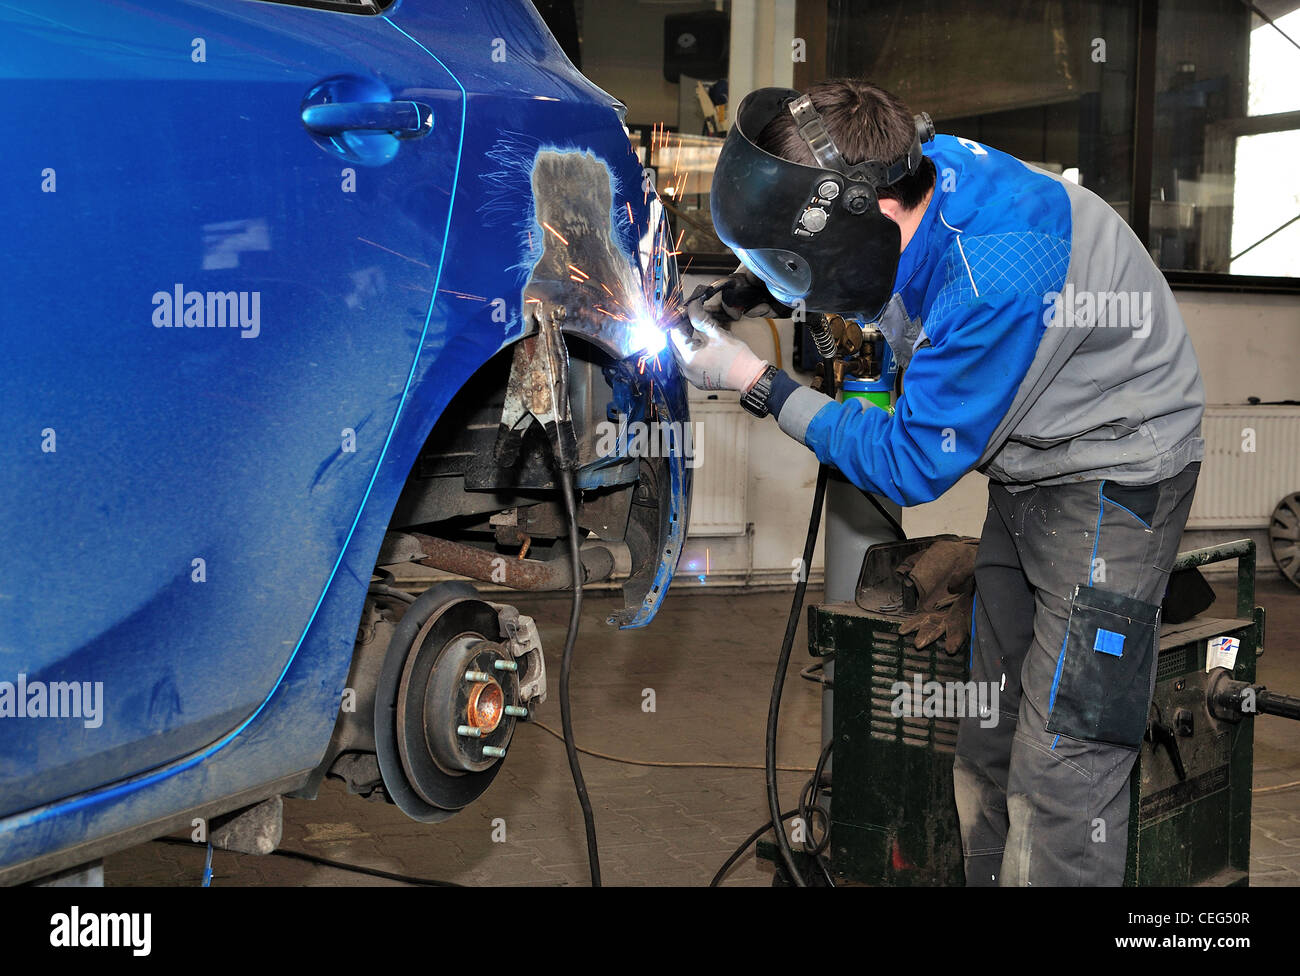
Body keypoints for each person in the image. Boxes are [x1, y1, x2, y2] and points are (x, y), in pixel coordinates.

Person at [670, 78, 1205, 886]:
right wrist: (750, 282)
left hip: (1118, 474)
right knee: (991, 734)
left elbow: (911, 463)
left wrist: (758, 384)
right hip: (1029, 467)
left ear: (869, 218)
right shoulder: (910, 167)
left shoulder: (992, 278)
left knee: (1066, 764)